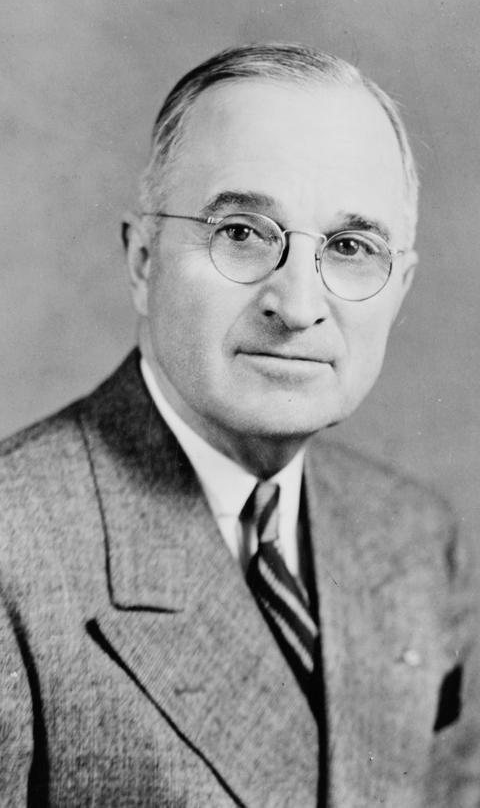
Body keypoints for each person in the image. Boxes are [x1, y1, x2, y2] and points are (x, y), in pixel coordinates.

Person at [0, 43, 478, 808]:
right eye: (243, 233)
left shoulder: (415, 538)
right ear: (144, 260)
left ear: (400, 289)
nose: (297, 305)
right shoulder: (15, 550)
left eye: (351, 248)